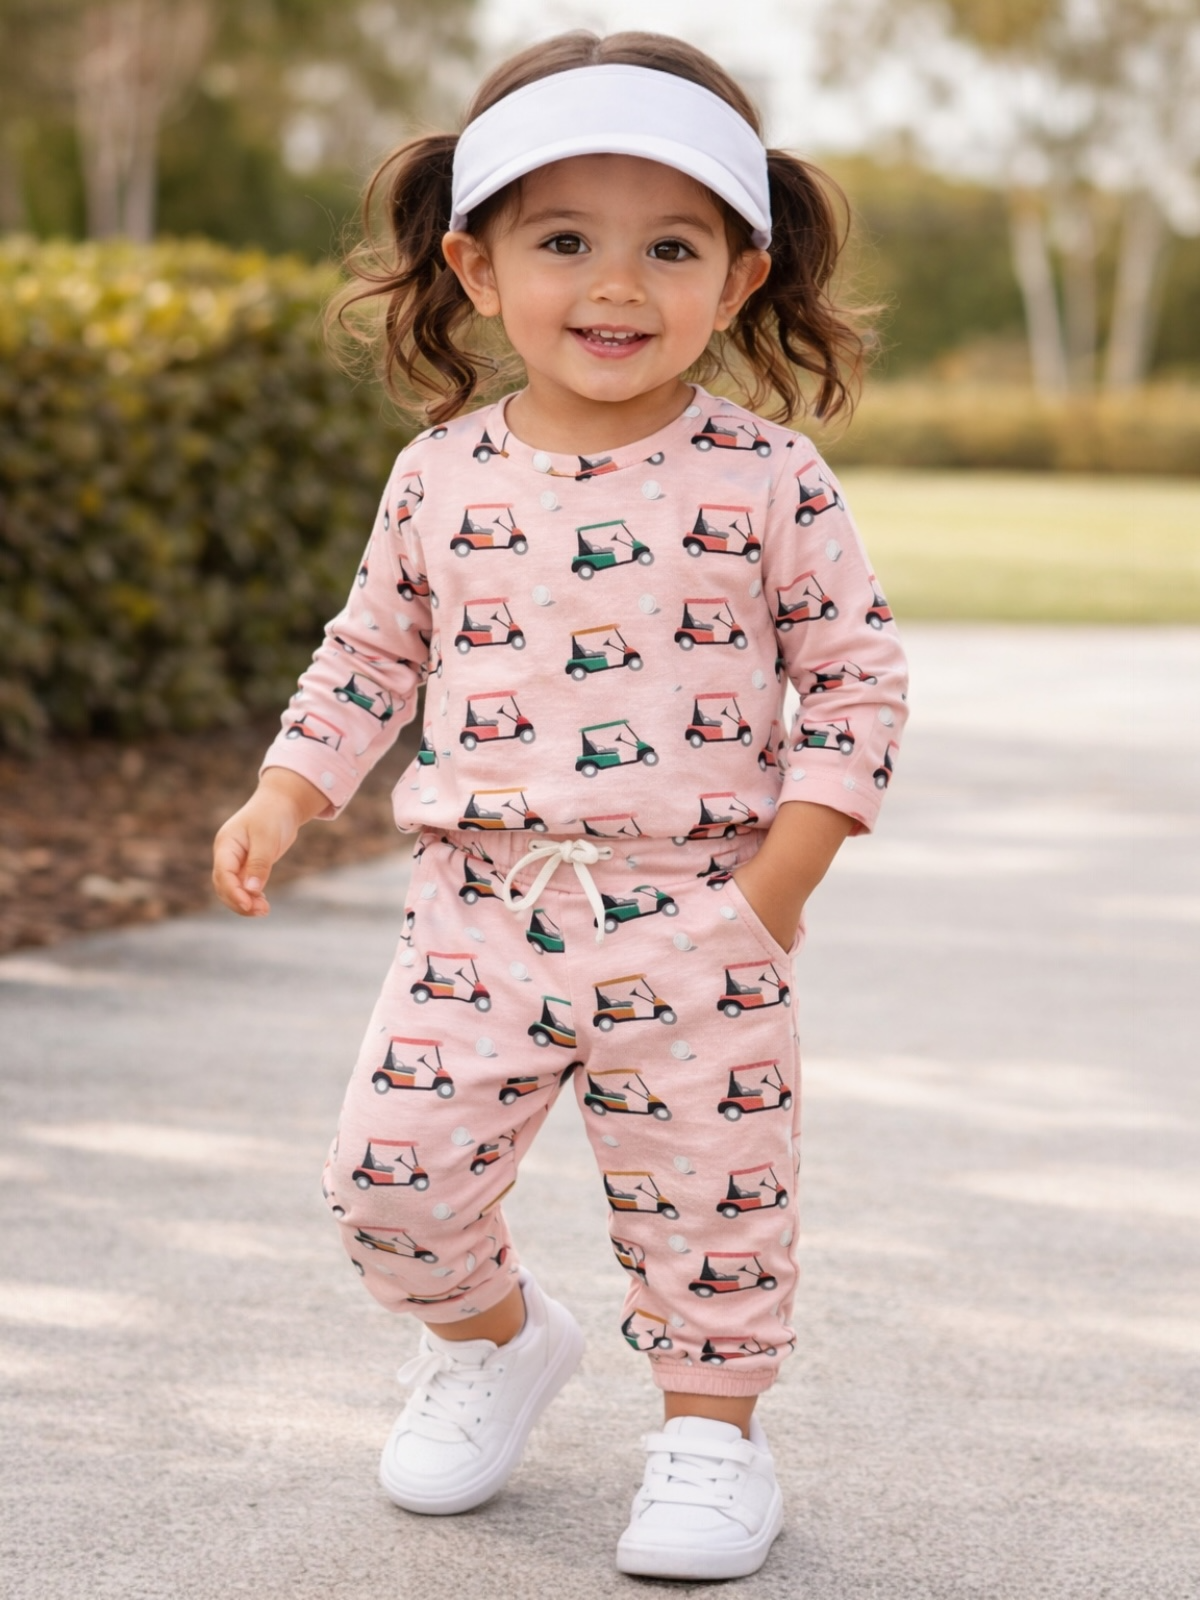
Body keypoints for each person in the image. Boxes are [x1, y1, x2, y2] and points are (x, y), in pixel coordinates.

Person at [212, 28, 909, 1583]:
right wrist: (287, 788)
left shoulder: (768, 476)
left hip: (697, 911)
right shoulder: (437, 476)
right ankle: (494, 1344)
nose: (615, 284)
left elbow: (858, 690)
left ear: (738, 278)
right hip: (481, 909)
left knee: (708, 1204)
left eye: (671, 245)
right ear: (474, 264)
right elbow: (372, 651)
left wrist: (768, 902)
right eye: (564, 240)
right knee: (389, 1176)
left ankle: (714, 1442)